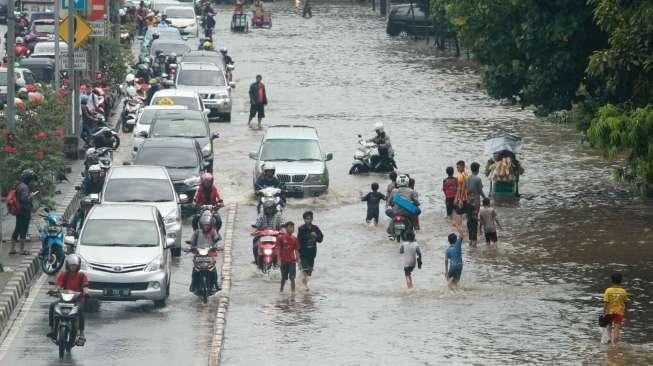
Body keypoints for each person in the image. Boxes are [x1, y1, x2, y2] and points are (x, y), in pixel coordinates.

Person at [47, 254, 88, 344]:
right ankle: (52, 329)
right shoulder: (63, 275)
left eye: (75, 265)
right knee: (53, 306)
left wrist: (85, 292)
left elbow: (85, 286)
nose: (73, 267)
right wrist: (55, 290)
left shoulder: (82, 276)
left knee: (80, 310)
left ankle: (81, 333)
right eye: (71, 265)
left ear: (78, 266)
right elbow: (58, 285)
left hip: (77, 301)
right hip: (64, 299)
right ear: (67, 265)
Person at [189, 212, 222, 292]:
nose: (206, 227)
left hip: (209, 254)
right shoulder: (197, 232)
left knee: (213, 269)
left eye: (207, 225)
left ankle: (216, 284)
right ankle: (193, 284)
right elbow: (192, 242)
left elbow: (216, 239)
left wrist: (216, 248)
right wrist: (191, 248)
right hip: (199, 254)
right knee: (195, 270)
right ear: (201, 224)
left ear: (210, 224)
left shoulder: (213, 232)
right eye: (204, 225)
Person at [10, 169, 36, 256]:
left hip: (18, 210)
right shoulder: (24, 187)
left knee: (17, 229)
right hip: (24, 211)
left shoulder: (18, 185)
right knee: (23, 230)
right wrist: (31, 196)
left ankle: (12, 249)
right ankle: (22, 250)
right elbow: (24, 199)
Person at [386, 174, 420, 239]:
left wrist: (395, 204)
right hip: (407, 213)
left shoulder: (394, 191)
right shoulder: (412, 191)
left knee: (387, 211)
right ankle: (415, 227)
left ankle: (391, 230)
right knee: (418, 210)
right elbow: (417, 203)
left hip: (395, 213)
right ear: (407, 182)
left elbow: (389, 203)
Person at [297, 211, 323, 290]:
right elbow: (298, 242)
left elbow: (320, 239)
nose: (308, 220)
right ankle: (304, 287)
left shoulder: (315, 228)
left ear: (312, 219)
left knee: (309, 272)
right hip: (303, 253)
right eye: (307, 219)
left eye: (310, 218)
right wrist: (297, 255)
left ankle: (301, 282)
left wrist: (316, 236)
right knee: (305, 269)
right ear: (304, 219)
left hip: (312, 253)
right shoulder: (301, 229)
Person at [603, 272, 628, 345]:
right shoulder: (623, 291)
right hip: (619, 312)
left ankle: (610, 340)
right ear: (621, 281)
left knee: (609, 326)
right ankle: (615, 342)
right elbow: (625, 303)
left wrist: (604, 312)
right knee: (617, 328)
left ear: (611, 281)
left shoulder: (608, 290)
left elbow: (606, 303)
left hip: (609, 312)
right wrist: (626, 311)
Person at [465, 162, 486, 247]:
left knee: (469, 221)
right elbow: (480, 191)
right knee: (474, 221)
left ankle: (470, 240)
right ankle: (474, 241)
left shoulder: (467, 178)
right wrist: (485, 198)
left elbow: (466, 189)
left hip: (468, 202)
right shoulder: (478, 179)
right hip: (475, 204)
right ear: (477, 170)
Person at [277, 221, 299, 293]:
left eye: (293, 227)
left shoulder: (295, 239)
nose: (291, 229)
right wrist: (279, 260)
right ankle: (281, 289)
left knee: (292, 277)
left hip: (292, 261)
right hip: (283, 261)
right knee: (284, 277)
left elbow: (296, 250)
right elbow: (278, 250)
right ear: (286, 229)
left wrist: (298, 261)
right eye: (290, 227)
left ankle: (293, 292)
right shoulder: (280, 238)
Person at [445, 222, 465, 289]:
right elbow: (462, 234)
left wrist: (446, 271)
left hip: (453, 266)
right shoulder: (458, 244)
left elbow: (446, 261)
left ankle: (450, 291)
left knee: (449, 280)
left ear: (448, 241)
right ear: (456, 240)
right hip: (460, 265)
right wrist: (456, 225)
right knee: (456, 282)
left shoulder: (447, 250)